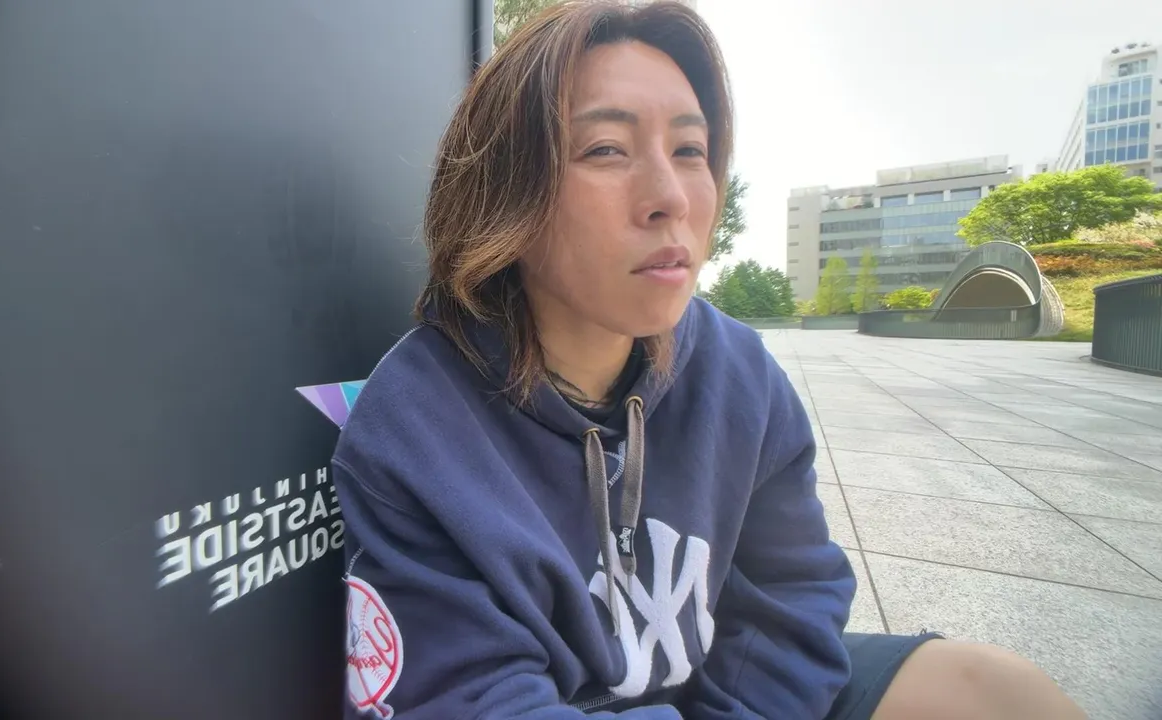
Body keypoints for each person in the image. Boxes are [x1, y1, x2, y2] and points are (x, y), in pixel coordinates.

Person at [330, 1, 1088, 718]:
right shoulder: (417, 427)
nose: (671, 197)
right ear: (506, 192)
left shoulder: (739, 374)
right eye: (606, 149)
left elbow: (794, 599)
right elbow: (468, 696)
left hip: (725, 696)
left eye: (689, 150)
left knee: (994, 691)